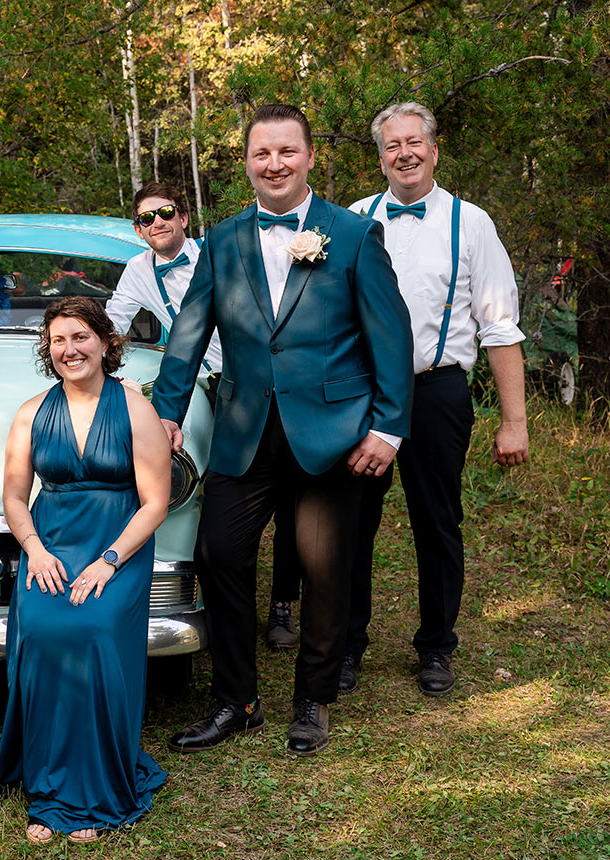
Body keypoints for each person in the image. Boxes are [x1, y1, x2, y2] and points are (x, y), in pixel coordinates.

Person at [152, 104, 413, 756]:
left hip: (332, 434)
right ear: (246, 162)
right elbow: (187, 336)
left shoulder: (351, 235)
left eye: (285, 152)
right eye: (260, 154)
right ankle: (235, 701)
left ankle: (312, 700)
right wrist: (164, 412)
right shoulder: (223, 240)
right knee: (217, 554)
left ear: (308, 157)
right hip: (243, 432)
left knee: (325, 569)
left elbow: (390, 340)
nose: (273, 164)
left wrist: (387, 430)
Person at [0, 297, 171, 844]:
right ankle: (48, 779)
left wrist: (110, 561)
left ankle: (92, 787)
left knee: (93, 632)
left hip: (116, 544)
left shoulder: (135, 408)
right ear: (47, 349)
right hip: (49, 545)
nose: (69, 350)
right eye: (57, 340)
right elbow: (13, 495)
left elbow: (155, 503)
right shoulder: (31, 411)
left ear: (105, 342)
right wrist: (35, 549)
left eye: (80, 337)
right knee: (46, 635)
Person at [341, 102, 529, 697]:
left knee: (437, 521)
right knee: (350, 522)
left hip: (436, 391)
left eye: (414, 142)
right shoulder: (352, 219)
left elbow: (500, 327)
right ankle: (344, 646)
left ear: (434, 149)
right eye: (392, 145)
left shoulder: (471, 223)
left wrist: (514, 420)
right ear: (380, 156)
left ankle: (436, 647)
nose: (405, 153)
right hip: (364, 393)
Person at [107, 181, 303, 650]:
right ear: (138, 230)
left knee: (291, 499)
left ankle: (282, 604)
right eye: (145, 218)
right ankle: (216, 599)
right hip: (201, 390)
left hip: (256, 386)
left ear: (184, 218)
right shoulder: (137, 270)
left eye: (166, 212)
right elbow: (110, 324)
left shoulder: (219, 253)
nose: (157, 223)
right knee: (217, 496)